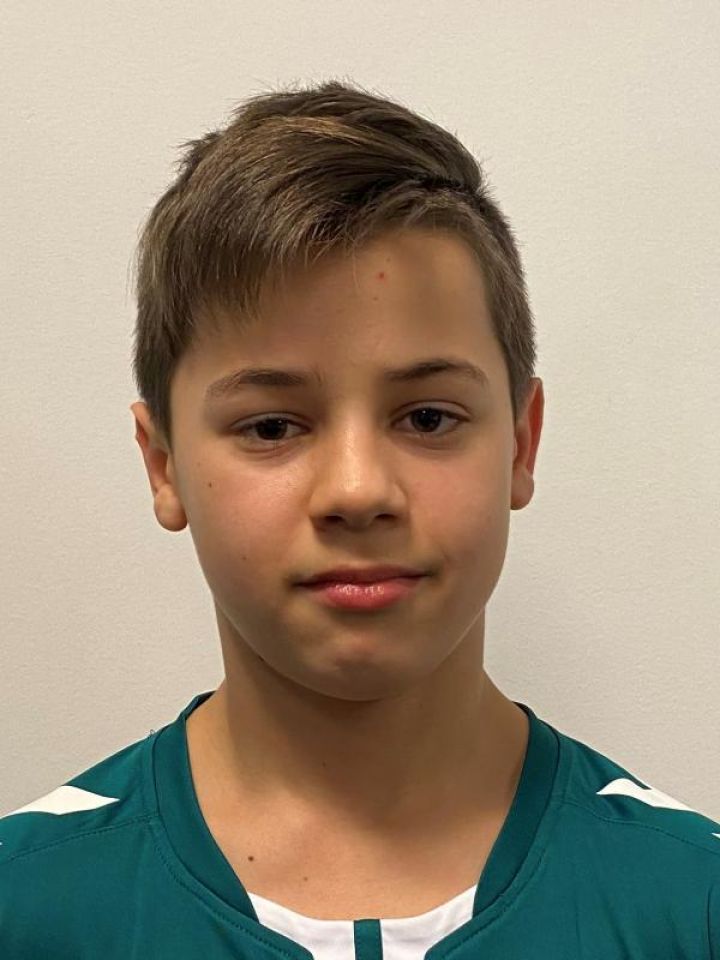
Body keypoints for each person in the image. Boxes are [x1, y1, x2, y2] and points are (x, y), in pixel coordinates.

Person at [1, 78, 718, 959]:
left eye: (428, 417)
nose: (356, 489)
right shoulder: (26, 908)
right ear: (164, 464)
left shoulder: (693, 902)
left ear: (521, 444)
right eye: (272, 427)